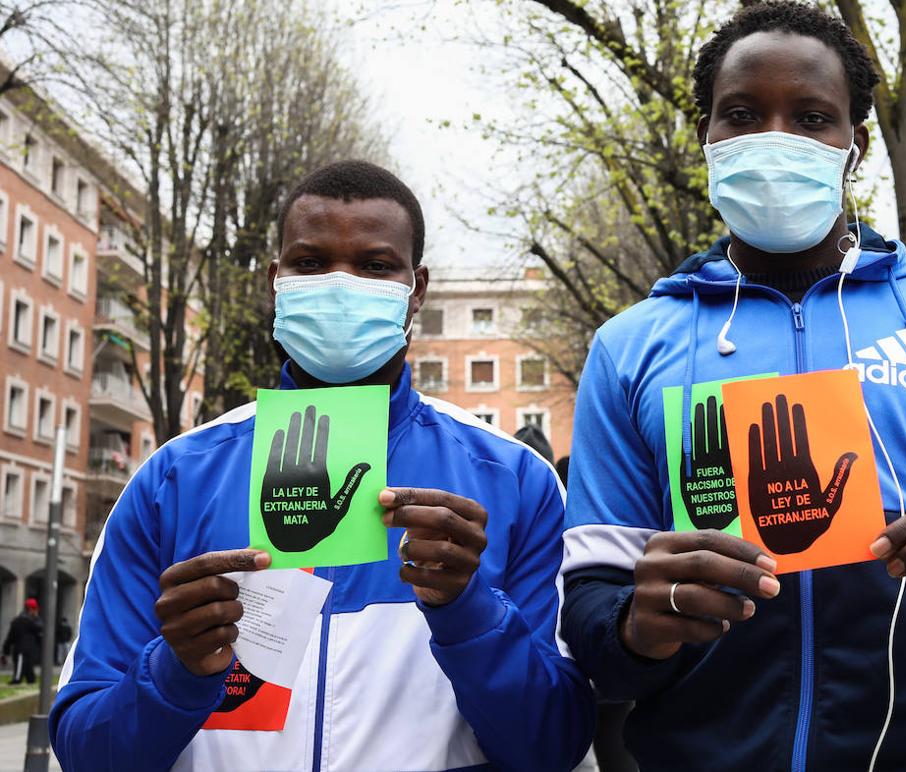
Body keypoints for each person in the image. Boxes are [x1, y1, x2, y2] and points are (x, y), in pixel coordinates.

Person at [561, 0, 906, 769]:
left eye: (811, 118)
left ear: (855, 145)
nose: (774, 139)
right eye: (741, 114)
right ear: (706, 136)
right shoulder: (630, 346)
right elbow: (592, 625)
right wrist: (644, 623)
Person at [51, 161, 595, 771]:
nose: (341, 284)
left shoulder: (515, 481)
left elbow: (554, 746)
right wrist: (174, 671)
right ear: (274, 280)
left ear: (416, 289)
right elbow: (83, 751)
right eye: (310, 263)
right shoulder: (173, 480)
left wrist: (467, 611)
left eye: (374, 265)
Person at [4, 598, 41, 684]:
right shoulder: (29, 621)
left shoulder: (20, 620)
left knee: (28, 671)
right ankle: (19, 679)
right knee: (20, 673)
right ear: (31, 609)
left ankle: (26, 679)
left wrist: (6, 648)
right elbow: (40, 628)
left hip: (25, 649)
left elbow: (10, 637)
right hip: (23, 649)